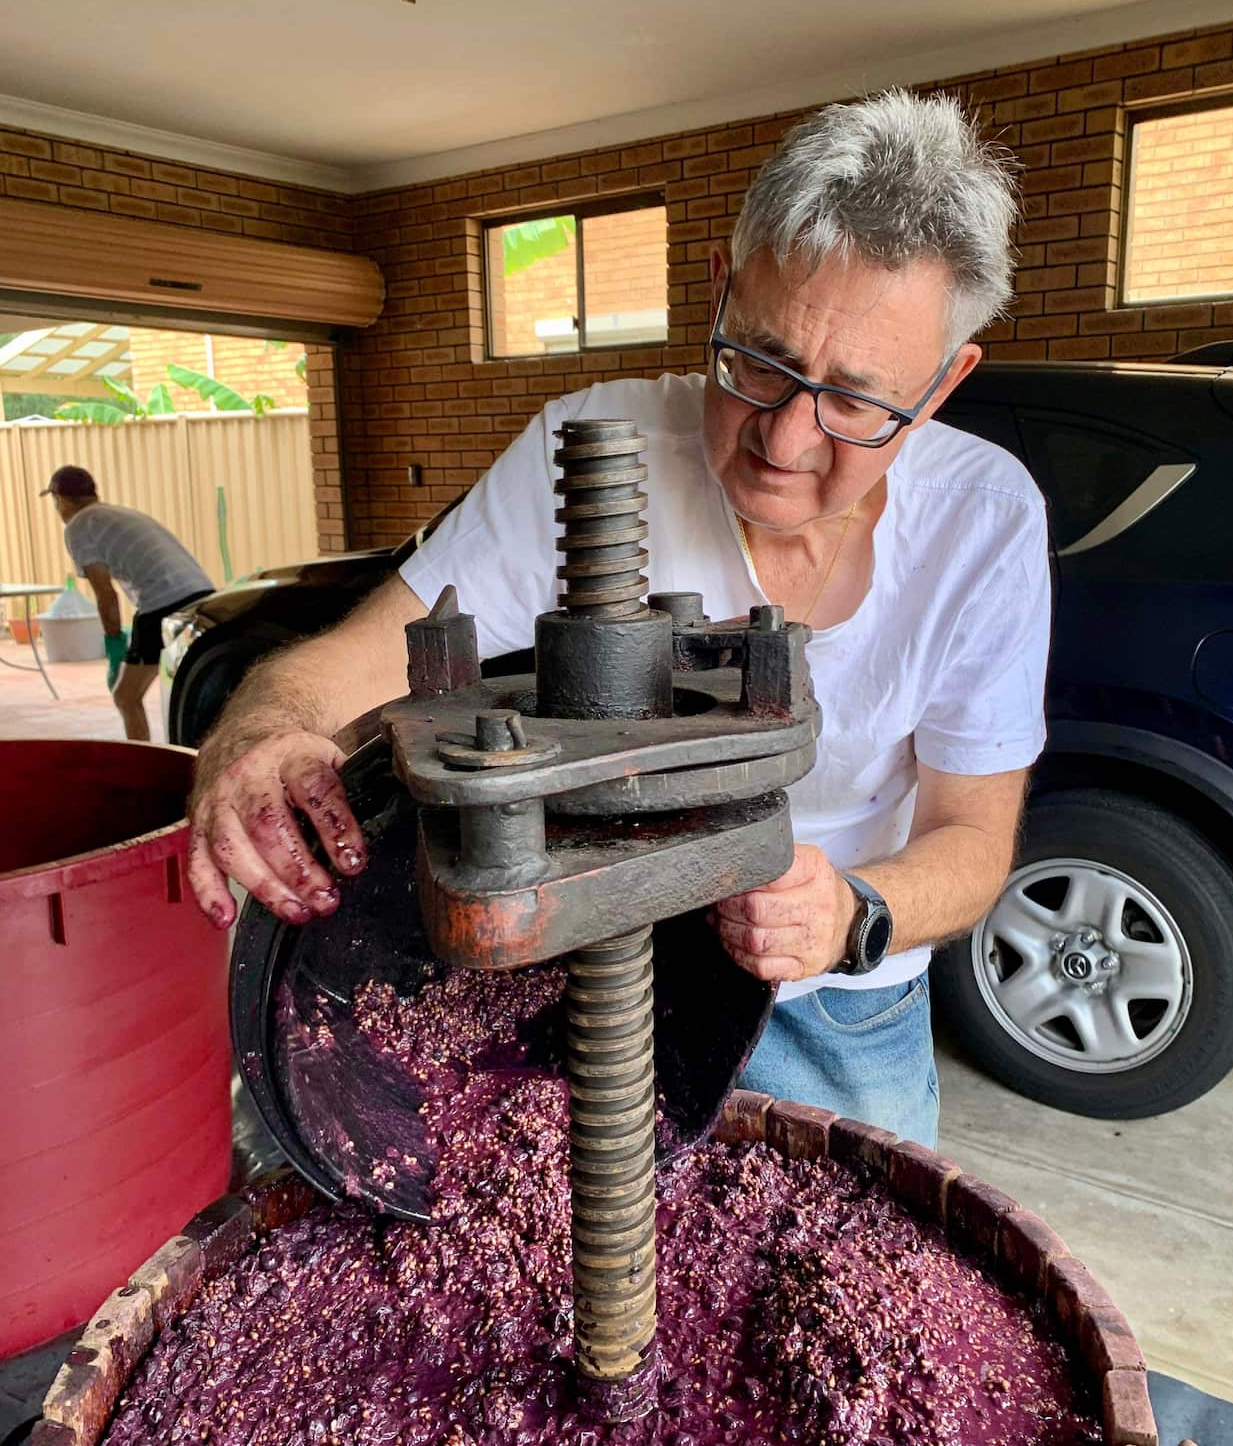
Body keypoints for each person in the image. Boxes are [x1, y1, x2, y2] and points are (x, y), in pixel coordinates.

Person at [188, 90, 1051, 1149]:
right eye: (758, 361)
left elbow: (970, 837)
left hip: (836, 1002)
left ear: (943, 381)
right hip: (588, 971)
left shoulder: (983, 519)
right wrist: (260, 730)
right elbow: (352, 661)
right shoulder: (591, 443)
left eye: (853, 401)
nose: (782, 439)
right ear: (721, 293)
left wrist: (847, 914)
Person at [43, 465, 213, 742]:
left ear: (60, 499)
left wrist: (112, 642)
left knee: (125, 696)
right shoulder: (120, 514)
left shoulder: (78, 526)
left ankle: (140, 763)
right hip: (203, 598)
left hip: (163, 604)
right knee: (191, 689)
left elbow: (105, 594)